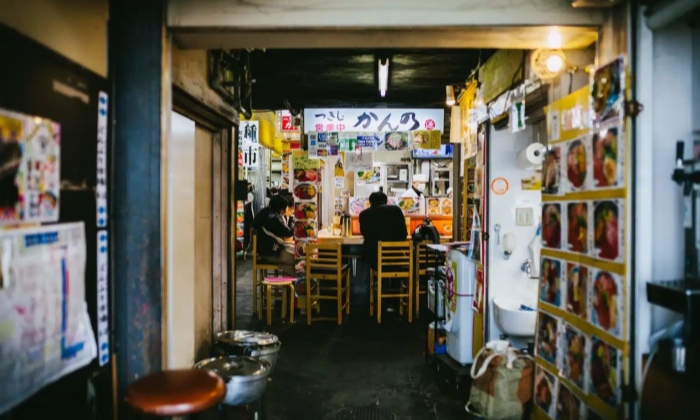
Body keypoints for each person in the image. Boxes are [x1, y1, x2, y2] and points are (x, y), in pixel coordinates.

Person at [359, 191, 408, 270]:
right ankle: (396, 282)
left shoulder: (364, 214)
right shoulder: (396, 210)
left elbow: (364, 233)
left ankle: (373, 281)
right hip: (396, 257)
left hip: (374, 258)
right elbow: (403, 234)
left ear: (370, 202)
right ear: (386, 201)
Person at [253, 194, 296, 277]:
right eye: (286, 207)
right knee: (295, 261)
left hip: (265, 252)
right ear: (281, 207)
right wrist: (294, 221)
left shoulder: (266, 212)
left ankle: (289, 287)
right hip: (269, 254)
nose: (287, 209)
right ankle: (291, 286)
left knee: (291, 264)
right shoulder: (273, 217)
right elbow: (287, 232)